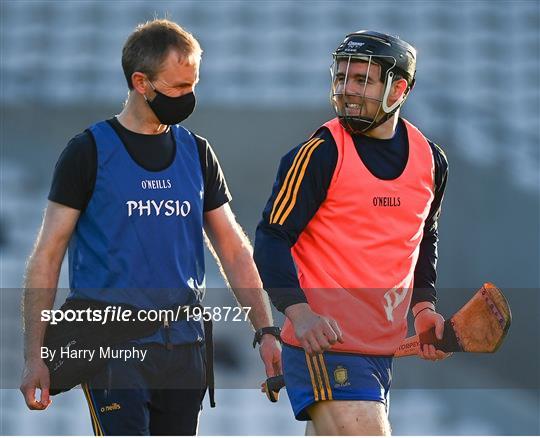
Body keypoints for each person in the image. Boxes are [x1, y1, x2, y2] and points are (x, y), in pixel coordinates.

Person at [20, 19, 282, 436]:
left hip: (185, 346)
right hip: (111, 346)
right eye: (178, 87)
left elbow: (232, 248)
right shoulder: (87, 152)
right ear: (141, 82)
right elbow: (47, 256)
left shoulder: (198, 152)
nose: (189, 97)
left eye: (193, 84)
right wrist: (34, 355)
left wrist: (265, 330)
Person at [254, 30, 451, 435]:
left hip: (382, 350)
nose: (346, 90)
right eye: (342, 77)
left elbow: (422, 234)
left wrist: (424, 307)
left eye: (362, 80)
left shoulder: (432, 160)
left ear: (398, 89)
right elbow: (271, 238)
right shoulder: (319, 152)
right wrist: (300, 313)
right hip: (325, 346)